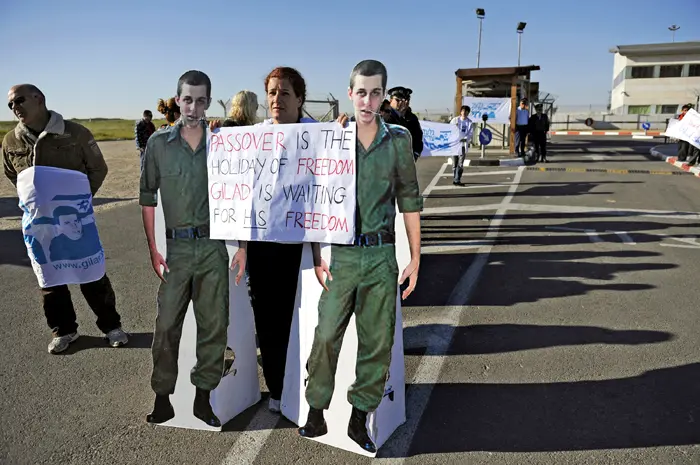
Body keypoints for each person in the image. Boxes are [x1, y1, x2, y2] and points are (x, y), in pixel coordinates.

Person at [298, 59, 423, 453]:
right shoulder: (332, 139)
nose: (368, 100)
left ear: (384, 96)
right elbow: (316, 199)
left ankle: (358, 418)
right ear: (350, 94)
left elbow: (410, 201)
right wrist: (319, 254)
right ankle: (315, 408)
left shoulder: (399, 140)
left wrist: (416, 257)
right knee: (325, 336)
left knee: (377, 341)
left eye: (375, 92)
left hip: (382, 254)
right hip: (343, 255)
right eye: (361, 92)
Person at [139, 70, 246, 427]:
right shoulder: (157, 145)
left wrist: (241, 246)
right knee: (167, 324)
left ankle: (203, 398)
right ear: (177, 99)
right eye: (188, 99)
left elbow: (239, 198)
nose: (194, 107)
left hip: (213, 247)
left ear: (209, 101)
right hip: (176, 250)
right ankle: (162, 398)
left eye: (201, 100)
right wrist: (153, 247)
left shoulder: (223, 145)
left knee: (214, 325)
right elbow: (147, 198)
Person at [2, 84, 128, 354]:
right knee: (50, 278)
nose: (15, 108)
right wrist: (37, 201)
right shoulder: (11, 141)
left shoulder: (75, 133)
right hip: (40, 224)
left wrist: (79, 202)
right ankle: (64, 330)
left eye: (19, 101)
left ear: (39, 99)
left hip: (76, 221)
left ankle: (111, 326)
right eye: (10, 105)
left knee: (91, 273)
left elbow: (97, 168)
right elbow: (13, 174)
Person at [386, 86, 424, 161]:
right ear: (390, 101)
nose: (402, 103)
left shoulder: (412, 118)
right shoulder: (384, 116)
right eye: (398, 100)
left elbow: (418, 137)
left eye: (407, 100)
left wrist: (415, 154)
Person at [449, 105, 473, 185]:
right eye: (463, 111)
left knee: (460, 163)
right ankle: (455, 178)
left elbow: (470, 133)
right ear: (461, 112)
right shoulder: (455, 120)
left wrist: (465, 138)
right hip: (454, 145)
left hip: (462, 145)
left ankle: (457, 180)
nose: (464, 113)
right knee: (454, 163)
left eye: (466, 111)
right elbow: (449, 130)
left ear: (468, 113)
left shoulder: (469, 122)